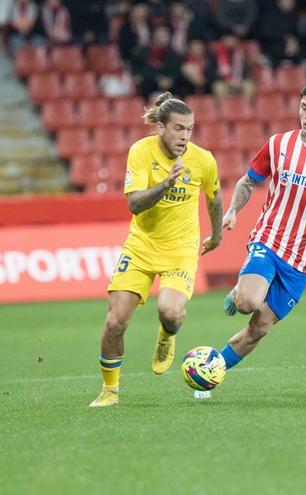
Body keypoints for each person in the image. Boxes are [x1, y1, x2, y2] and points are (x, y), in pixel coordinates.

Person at [216, 80, 306, 376]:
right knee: (248, 303)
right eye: (304, 108)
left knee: (260, 327)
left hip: (301, 260)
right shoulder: (278, 144)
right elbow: (248, 181)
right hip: (268, 240)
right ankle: (239, 293)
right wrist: (232, 210)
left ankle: (212, 370)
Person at [90, 92, 225, 407]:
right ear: (160, 128)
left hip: (180, 249)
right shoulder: (140, 152)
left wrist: (216, 236)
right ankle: (110, 391)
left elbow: (215, 199)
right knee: (115, 322)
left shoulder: (203, 159)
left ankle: (167, 334)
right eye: (178, 129)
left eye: (189, 129)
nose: (185, 136)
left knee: (170, 312)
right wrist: (166, 184)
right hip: (140, 247)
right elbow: (134, 204)